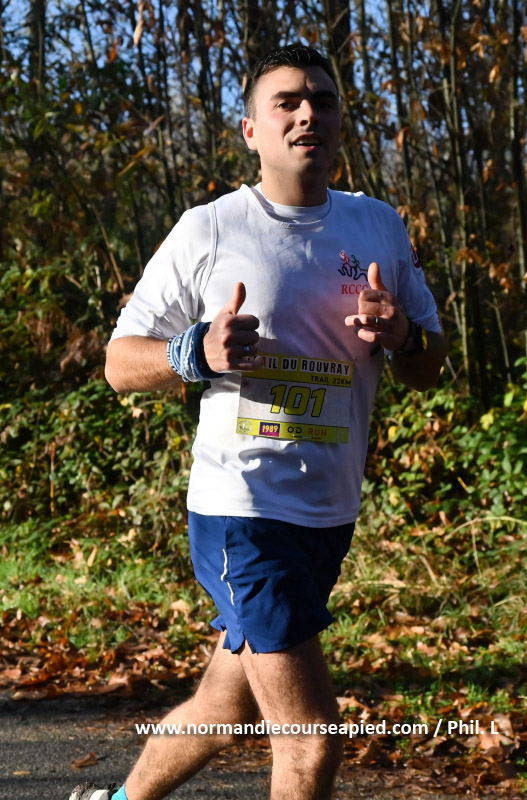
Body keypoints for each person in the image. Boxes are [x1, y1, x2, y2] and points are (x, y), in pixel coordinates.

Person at [70, 44, 447, 800]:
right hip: (242, 510)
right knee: (310, 741)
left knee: (222, 710)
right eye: (287, 102)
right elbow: (118, 362)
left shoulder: (377, 226)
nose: (308, 113)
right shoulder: (210, 228)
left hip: (329, 512)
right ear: (250, 130)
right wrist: (196, 352)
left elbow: (430, 364)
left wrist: (402, 336)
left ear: (339, 122)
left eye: (323, 100)